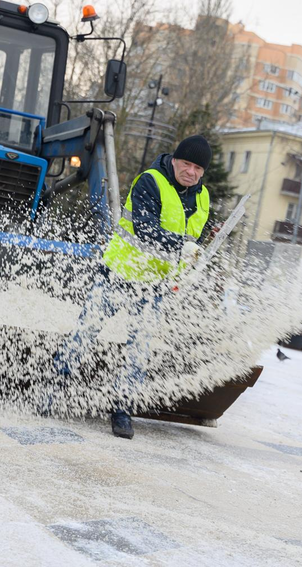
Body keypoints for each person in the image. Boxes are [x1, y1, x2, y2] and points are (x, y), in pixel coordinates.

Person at [70, 135, 213, 439]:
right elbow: (146, 229)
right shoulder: (150, 181)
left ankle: (121, 410)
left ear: (203, 172)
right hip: (120, 274)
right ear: (174, 160)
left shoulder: (202, 198)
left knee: (139, 350)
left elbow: (192, 242)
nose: (190, 170)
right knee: (86, 332)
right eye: (186, 163)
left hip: (155, 286)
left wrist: (191, 260)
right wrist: (183, 247)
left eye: (197, 167)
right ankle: (55, 385)